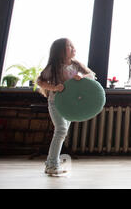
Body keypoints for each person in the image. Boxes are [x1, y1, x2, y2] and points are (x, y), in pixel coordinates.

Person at [36, 38, 95, 176]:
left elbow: (91, 75)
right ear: (60, 51)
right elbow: (40, 81)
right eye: (69, 46)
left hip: (70, 104)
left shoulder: (76, 65)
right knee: (61, 129)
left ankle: (52, 162)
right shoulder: (53, 68)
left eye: (73, 45)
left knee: (62, 132)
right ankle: (51, 165)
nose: (73, 47)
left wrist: (82, 77)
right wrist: (54, 88)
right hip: (55, 102)